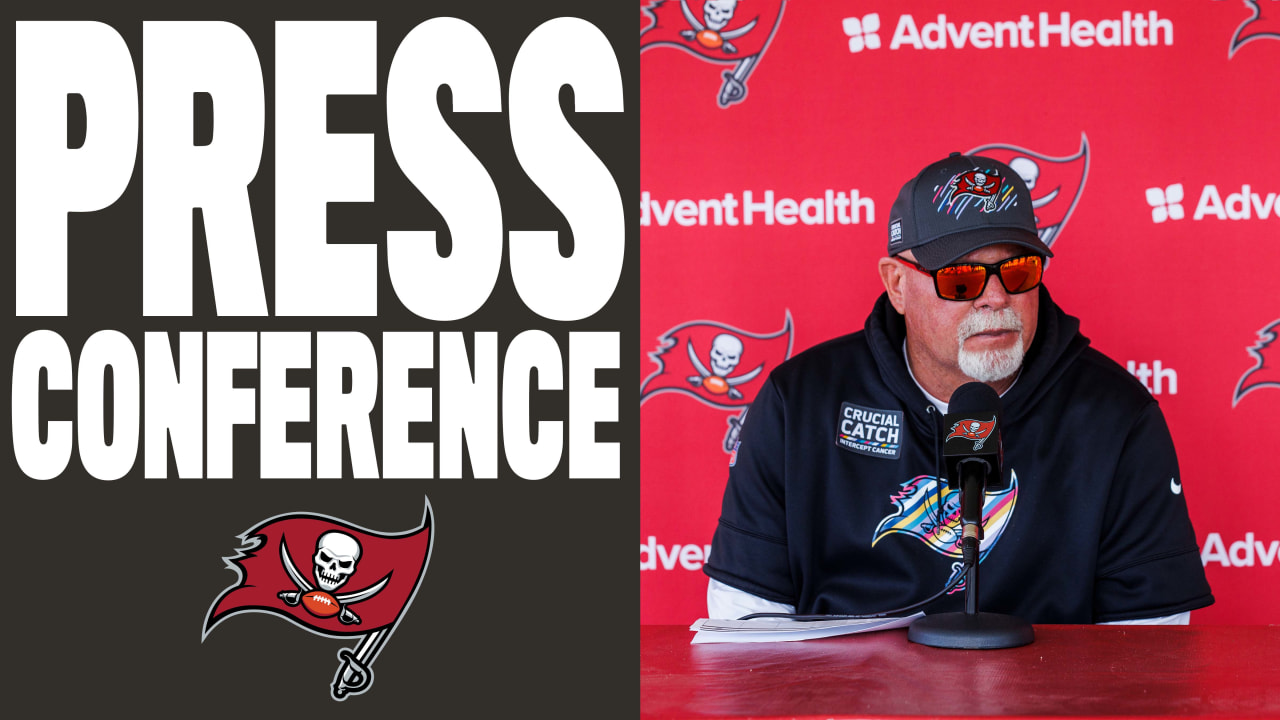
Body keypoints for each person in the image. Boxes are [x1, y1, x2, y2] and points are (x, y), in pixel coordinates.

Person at [703, 152, 1213, 624]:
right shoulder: (802, 401)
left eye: (1017, 271)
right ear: (897, 285)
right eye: (961, 279)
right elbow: (746, 619)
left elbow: (1149, 643)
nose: (995, 297)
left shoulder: (1115, 415)